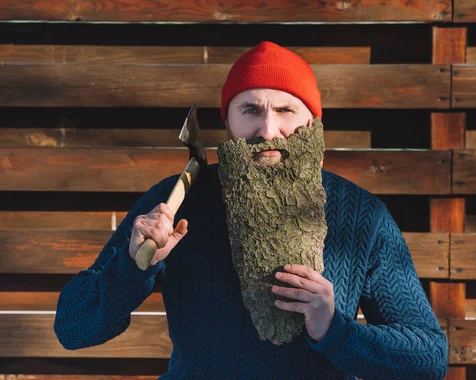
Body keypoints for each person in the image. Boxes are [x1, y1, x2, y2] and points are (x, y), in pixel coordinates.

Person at [54, 41, 448, 379]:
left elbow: (428, 359)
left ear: (313, 121)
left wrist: (334, 329)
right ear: (227, 119)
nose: (268, 130)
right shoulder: (176, 203)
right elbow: (73, 328)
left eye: (286, 111)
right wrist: (132, 267)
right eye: (251, 110)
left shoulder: (361, 216)